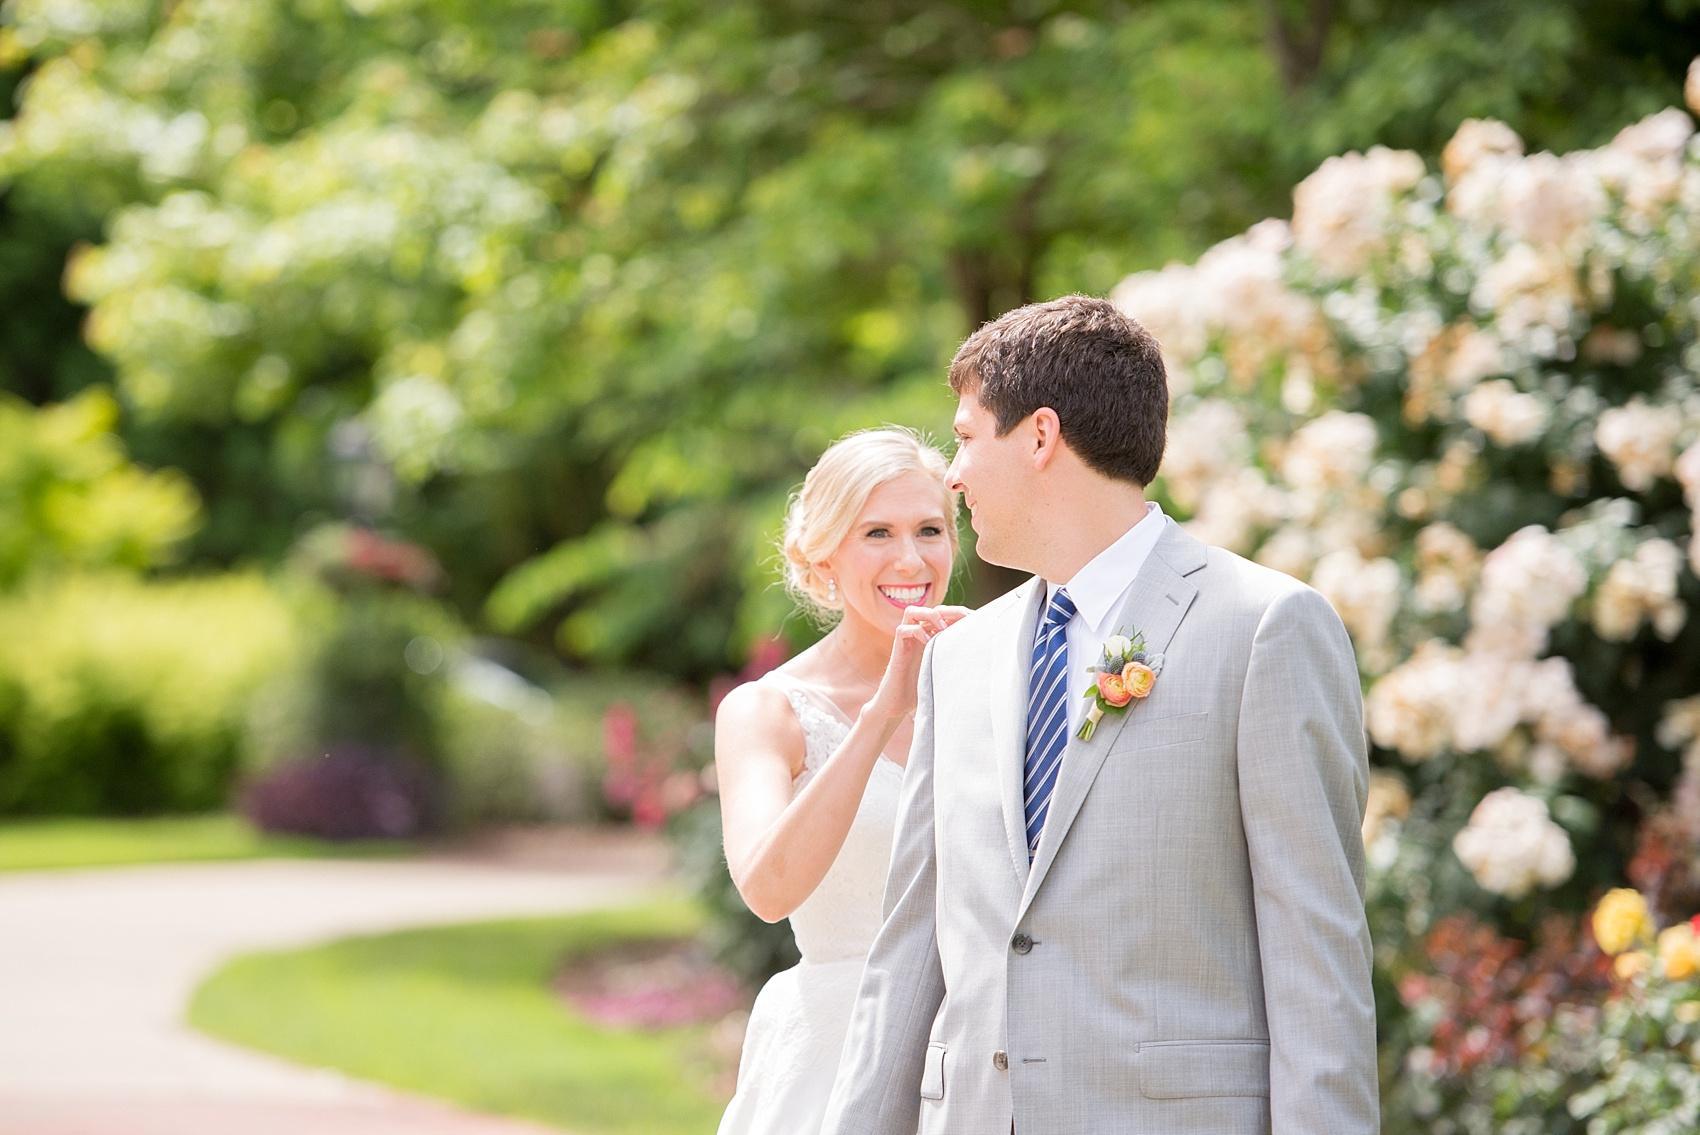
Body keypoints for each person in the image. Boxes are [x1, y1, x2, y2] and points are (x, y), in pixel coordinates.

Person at [822, 295, 1379, 1135]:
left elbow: (1317, 961)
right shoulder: (958, 659)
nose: (954, 473)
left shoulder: (1264, 626)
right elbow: (909, 954)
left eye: (968, 437)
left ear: (1040, 436)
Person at [714, 426, 971, 1135]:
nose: (911, 558)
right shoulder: (766, 712)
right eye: (877, 533)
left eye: (929, 529)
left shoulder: (993, 675)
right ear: (824, 555)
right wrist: (884, 711)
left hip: (983, 1055)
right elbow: (768, 888)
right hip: (836, 1059)